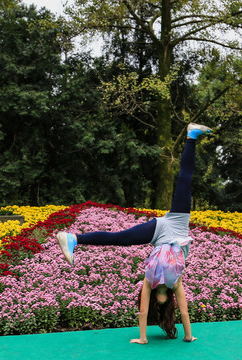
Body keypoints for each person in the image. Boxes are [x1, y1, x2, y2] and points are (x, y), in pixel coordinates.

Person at [56, 122, 211, 344]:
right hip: (167, 228)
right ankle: (74, 238)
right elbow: (166, 313)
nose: (159, 297)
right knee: (120, 236)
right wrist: (181, 336)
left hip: (166, 228)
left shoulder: (161, 281)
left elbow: (153, 312)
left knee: (122, 236)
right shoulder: (164, 282)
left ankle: (74, 238)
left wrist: (153, 338)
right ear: (166, 300)